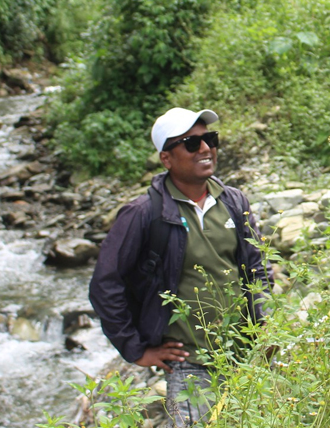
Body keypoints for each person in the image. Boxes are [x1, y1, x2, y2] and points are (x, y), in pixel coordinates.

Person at [90, 108, 270, 426]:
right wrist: (136, 350)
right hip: (188, 366)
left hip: (243, 354)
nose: (205, 149)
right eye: (191, 143)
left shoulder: (233, 201)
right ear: (166, 159)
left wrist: (265, 321)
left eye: (209, 139)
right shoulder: (143, 214)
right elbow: (106, 284)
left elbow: (255, 266)